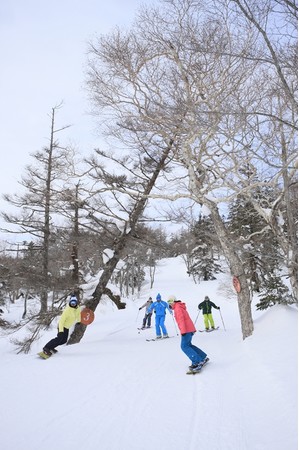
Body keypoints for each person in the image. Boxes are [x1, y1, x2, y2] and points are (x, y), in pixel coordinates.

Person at [168, 295, 209, 371]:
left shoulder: (177, 308)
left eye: (170, 302)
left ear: (174, 301)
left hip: (186, 330)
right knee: (189, 345)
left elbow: (181, 320)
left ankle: (197, 361)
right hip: (189, 329)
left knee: (184, 346)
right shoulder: (179, 306)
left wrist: (183, 331)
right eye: (168, 302)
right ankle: (202, 357)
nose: (169, 304)